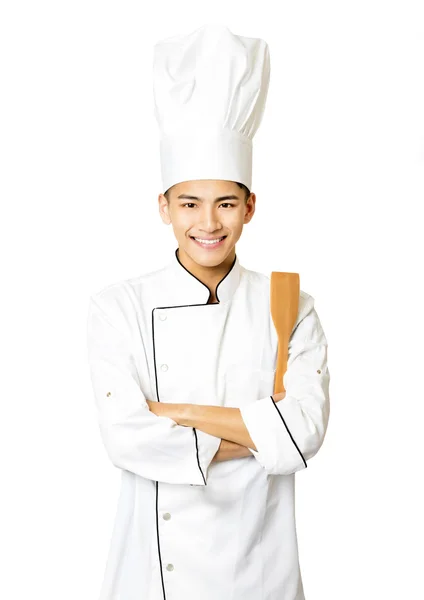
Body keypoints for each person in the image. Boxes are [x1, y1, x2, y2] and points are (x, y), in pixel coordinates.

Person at [86, 24, 330, 600]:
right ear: (164, 207)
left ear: (250, 206)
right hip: (153, 575)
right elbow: (127, 438)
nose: (208, 224)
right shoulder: (118, 307)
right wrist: (257, 432)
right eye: (189, 203)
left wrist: (177, 413)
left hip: (262, 573)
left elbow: (306, 430)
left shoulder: (291, 302)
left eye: (225, 203)